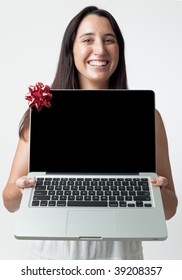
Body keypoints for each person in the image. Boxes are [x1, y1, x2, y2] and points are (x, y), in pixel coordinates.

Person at [2, 6, 178, 260]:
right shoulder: (43, 111)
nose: (100, 49)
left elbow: (169, 209)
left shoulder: (148, 117)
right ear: (71, 49)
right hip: (51, 260)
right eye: (87, 40)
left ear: (119, 49)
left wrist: (156, 192)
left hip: (119, 261)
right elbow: (9, 202)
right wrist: (21, 189)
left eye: (109, 40)